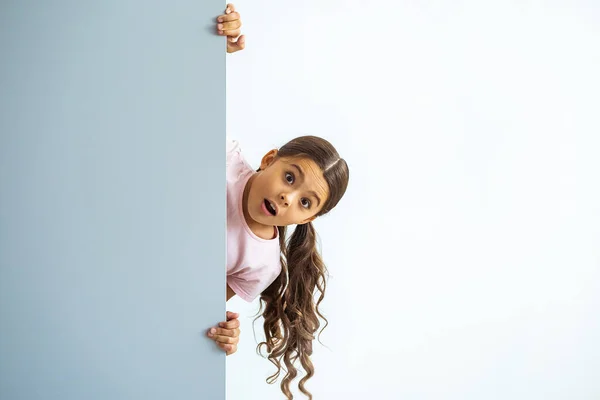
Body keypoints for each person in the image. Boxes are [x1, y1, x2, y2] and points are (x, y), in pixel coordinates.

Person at [207, 5, 350, 399]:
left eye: (305, 203)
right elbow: (181, 102)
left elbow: (194, 308)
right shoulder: (222, 157)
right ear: (270, 160)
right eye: (290, 177)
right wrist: (211, 50)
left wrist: (217, 334)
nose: (287, 197)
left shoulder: (261, 264)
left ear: (310, 217)